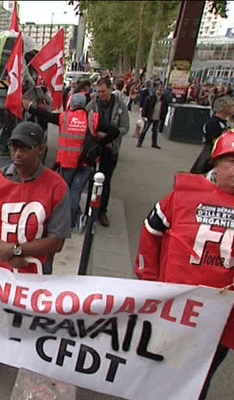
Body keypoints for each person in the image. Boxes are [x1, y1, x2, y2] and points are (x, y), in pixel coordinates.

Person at [0, 121, 71, 370]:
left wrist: (16, 250)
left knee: (29, 315)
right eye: (14, 148)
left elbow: (57, 240)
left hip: (34, 270)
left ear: (41, 150)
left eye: (25, 148)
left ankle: (26, 353)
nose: (17, 154)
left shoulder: (57, 187)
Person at [135, 131, 234, 400]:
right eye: (231, 161)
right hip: (175, 308)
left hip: (219, 317)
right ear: (215, 162)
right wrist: (149, 277)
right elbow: (151, 229)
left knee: (198, 380)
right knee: (159, 369)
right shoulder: (184, 195)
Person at [25, 94, 96, 230]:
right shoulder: (92, 118)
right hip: (85, 163)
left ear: (72, 104)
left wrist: (29, 108)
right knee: (76, 193)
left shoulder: (64, 117)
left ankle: (65, 222)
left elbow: (45, 115)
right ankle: (73, 222)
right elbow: (113, 130)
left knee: (65, 193)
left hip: (68, 163)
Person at [85, 77, 129, 227]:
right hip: (95, 147)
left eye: (103, 91)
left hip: (111, 149)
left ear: (110, 89)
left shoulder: (120, 105)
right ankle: (89, 209)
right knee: (91, 179)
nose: (101, 95)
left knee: (106, 180)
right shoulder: (92, 104)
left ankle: (102, 211)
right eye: (98, 91)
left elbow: (125, 127)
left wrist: (112, 135)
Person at [191, 95, 234, 174]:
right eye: (232, 106)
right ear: (224, 108)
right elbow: (212, 140)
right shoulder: (213, 123)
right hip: (211, 155)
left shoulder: (226, 123)